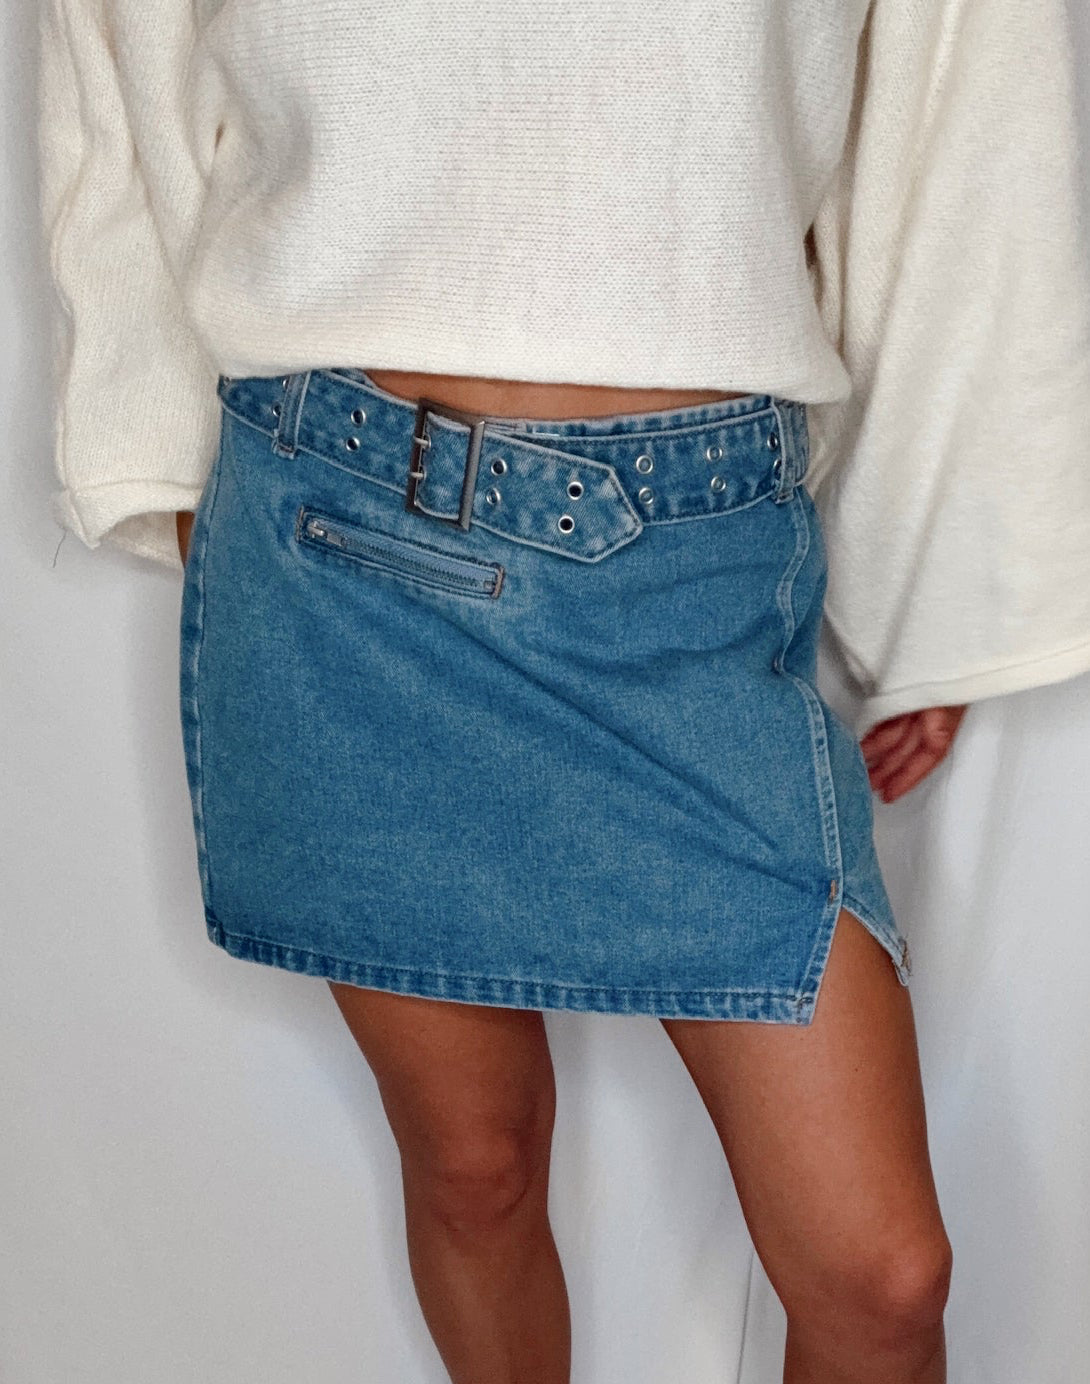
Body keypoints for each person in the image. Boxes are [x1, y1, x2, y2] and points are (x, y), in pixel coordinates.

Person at [37, 2, 1090, 1382]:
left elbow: (962, 111)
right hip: (338, 541)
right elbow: (120, 64)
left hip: (691, 568)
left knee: (880, 1279)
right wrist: (176, 474)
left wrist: (945, 586)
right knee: (474, 1165)